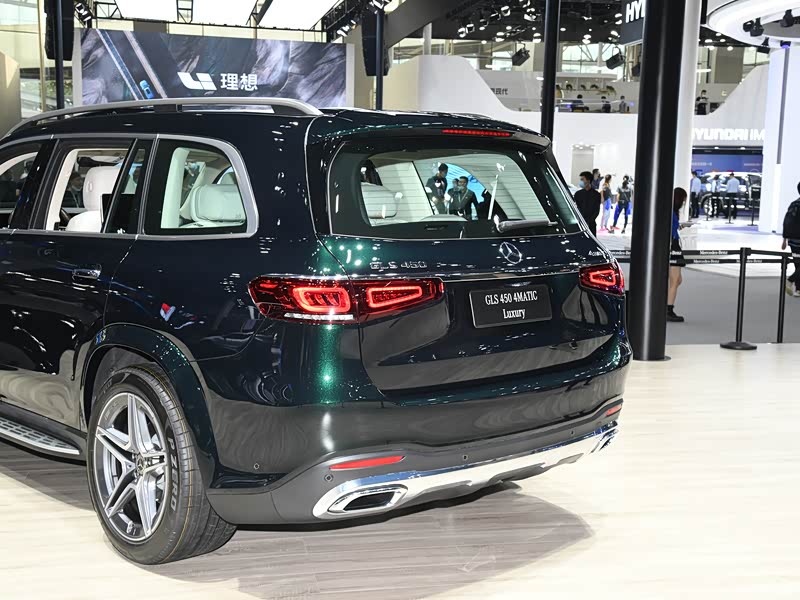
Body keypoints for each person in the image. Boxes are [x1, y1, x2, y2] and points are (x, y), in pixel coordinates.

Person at [668, 187, 689, 322]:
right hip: (673, 246)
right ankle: (668, 309)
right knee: (675, 280)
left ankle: (666, 305)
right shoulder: (671, 212)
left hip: (674, 244)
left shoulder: (672, 212)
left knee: (677, 280)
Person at [781, 182, 800, 297]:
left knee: (798, 264)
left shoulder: (794, 204)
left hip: (793, 241)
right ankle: (790, 280)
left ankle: (798, 289)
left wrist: (785, 239)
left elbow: (787, 222)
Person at [573, 171, 601, 236]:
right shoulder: (578, 194)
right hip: (580, 224)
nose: (581, 181)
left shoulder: (596, 195)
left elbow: (596, 210)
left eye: (582, 179)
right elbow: (576, 208)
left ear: (588, 181)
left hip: (591, 225)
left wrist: (589, 221)